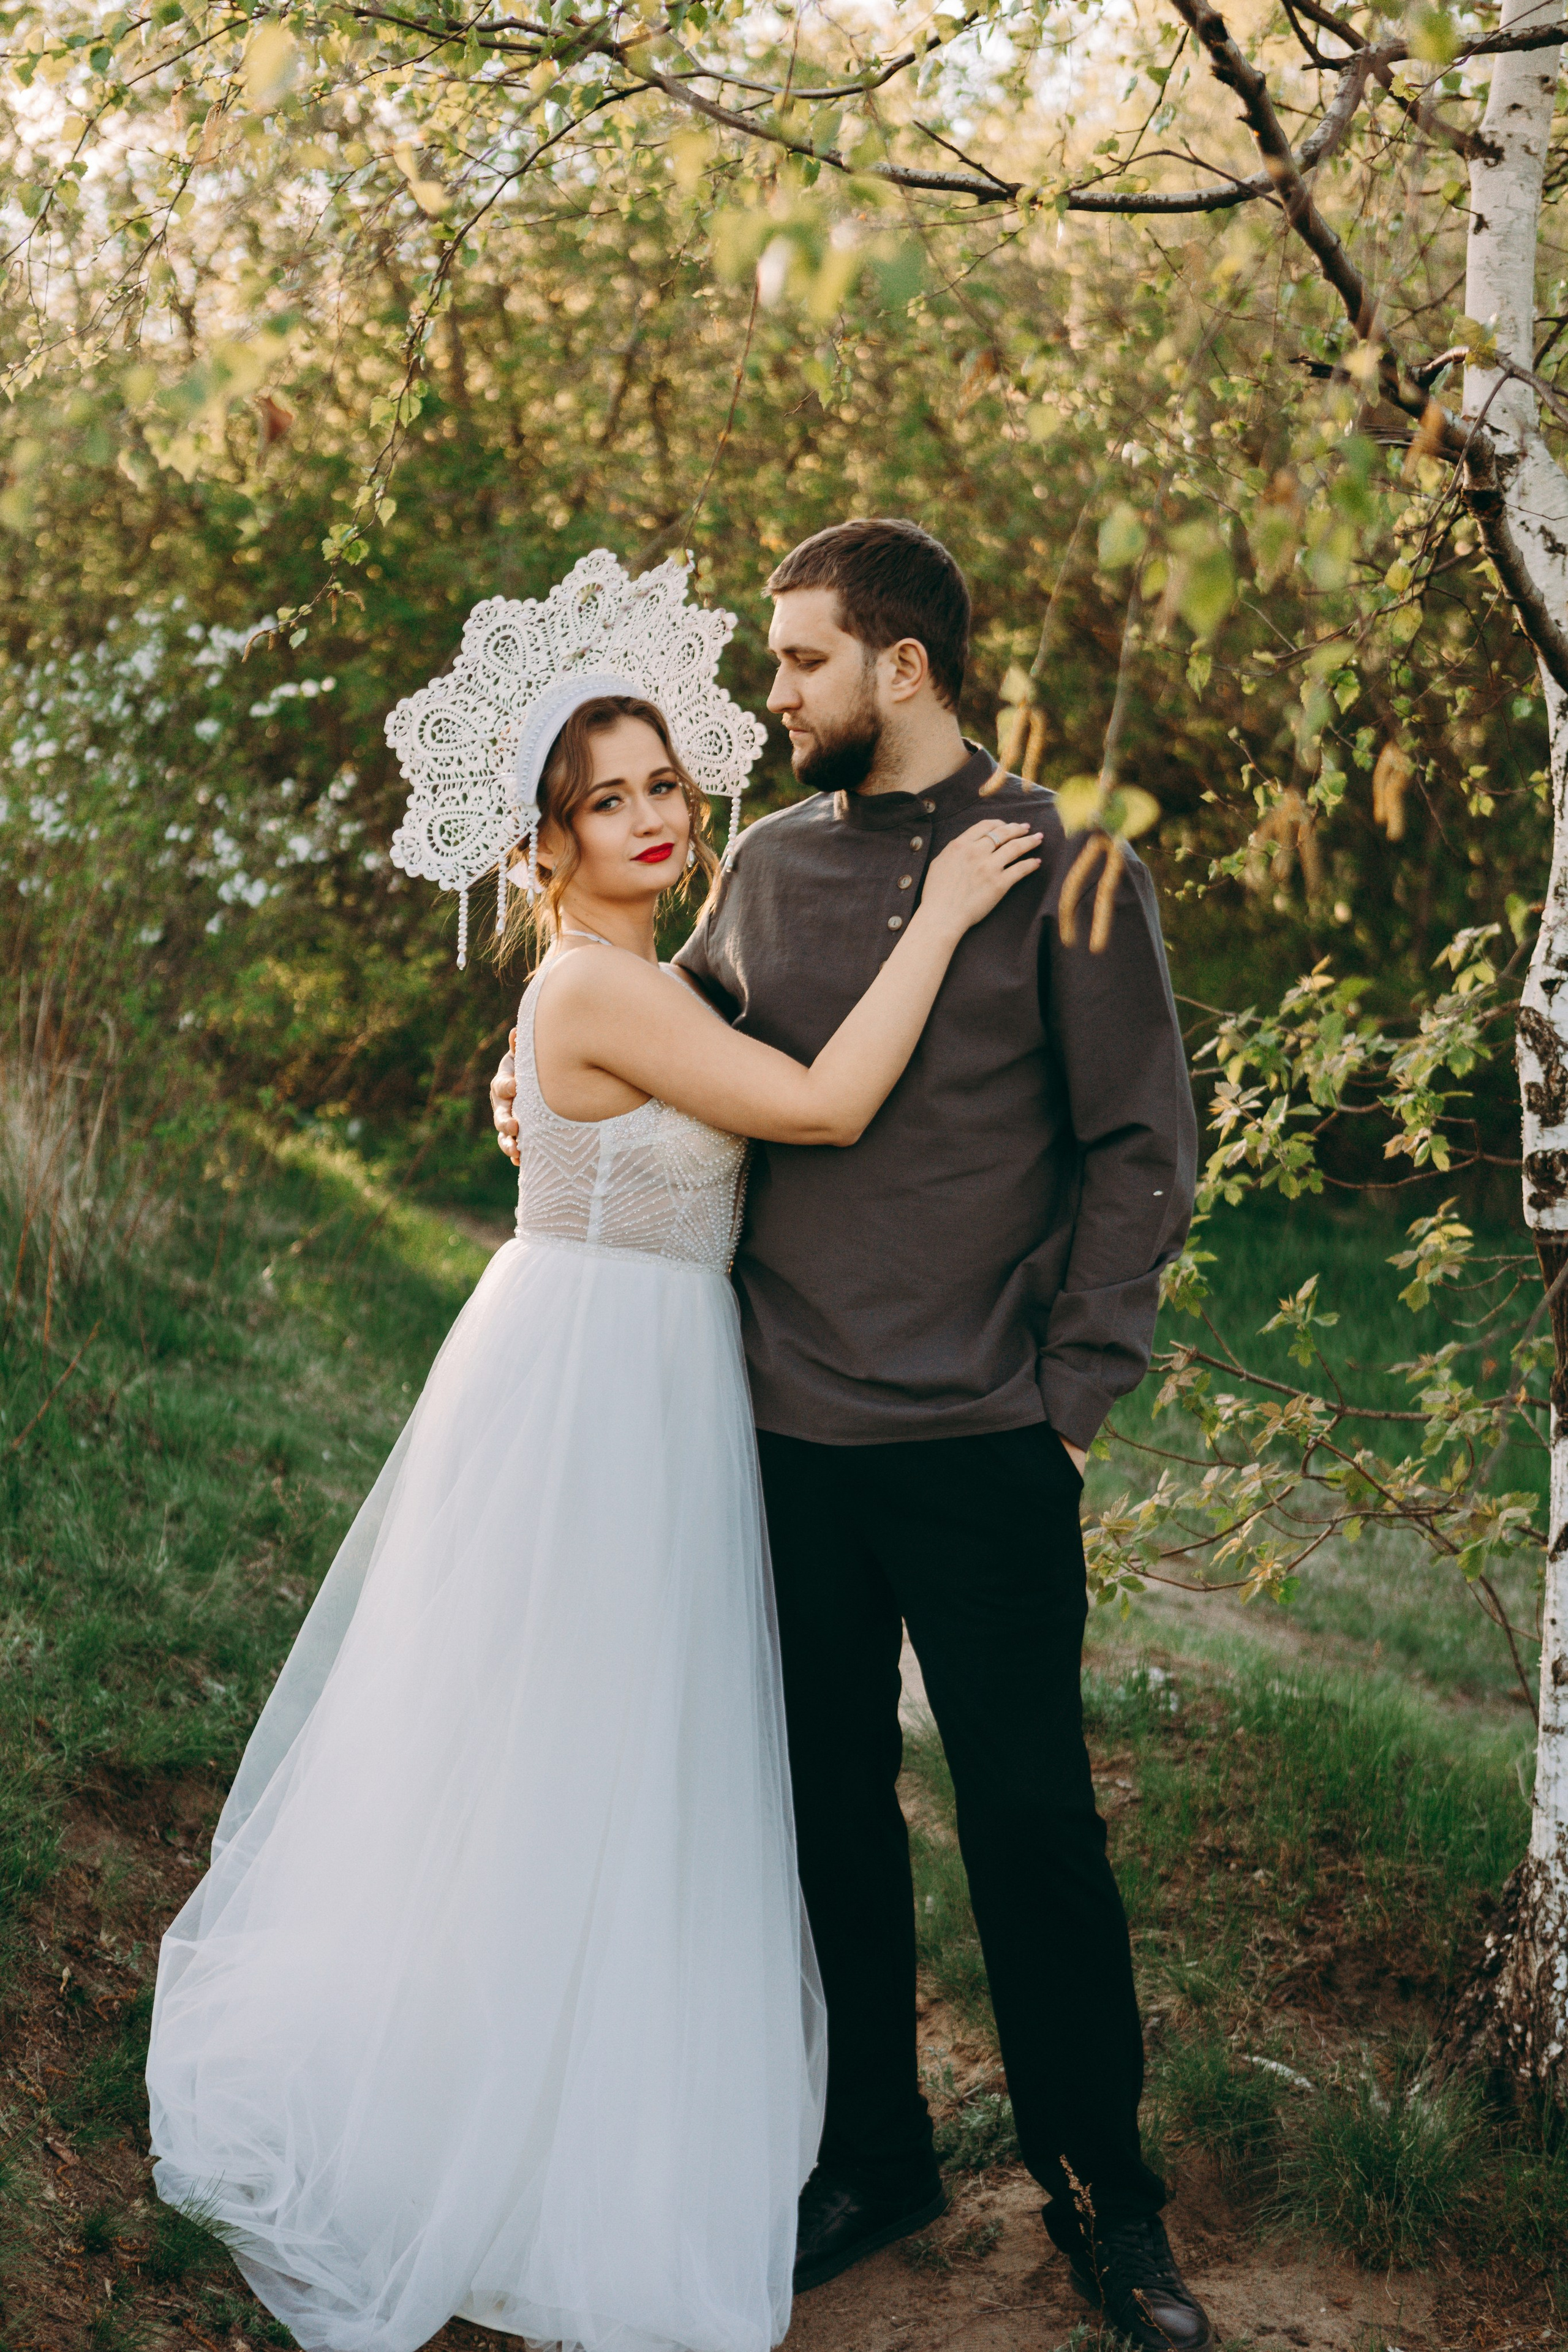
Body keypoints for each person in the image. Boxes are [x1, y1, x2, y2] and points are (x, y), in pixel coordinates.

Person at [145, 677, 1042, 2352]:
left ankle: (600, 2073)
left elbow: (707, 1087)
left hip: (649, 1368)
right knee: (571, 1744)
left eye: (665, 785)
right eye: (608, 800)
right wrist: (940, 916)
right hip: (596, 1388)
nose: (655, 816)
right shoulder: (588, 987)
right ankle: (520, 2120)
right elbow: (828, 1106)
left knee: (633, 1748)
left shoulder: (639, 978)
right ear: (545, 845)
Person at [492, 519, 1207, 2352]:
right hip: (775, 1435)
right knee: (820, 1818)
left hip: (985, 1435)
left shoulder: (1072, 865)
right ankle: (874, 2156)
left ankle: (1102, 2204)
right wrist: (534, 1078)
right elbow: (684, 1045)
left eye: (798, 661)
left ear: (899, 665)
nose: (772, 695)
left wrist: (1071, 1404)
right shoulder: (773, 871)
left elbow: (1144, 1152)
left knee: (1035, 1826)